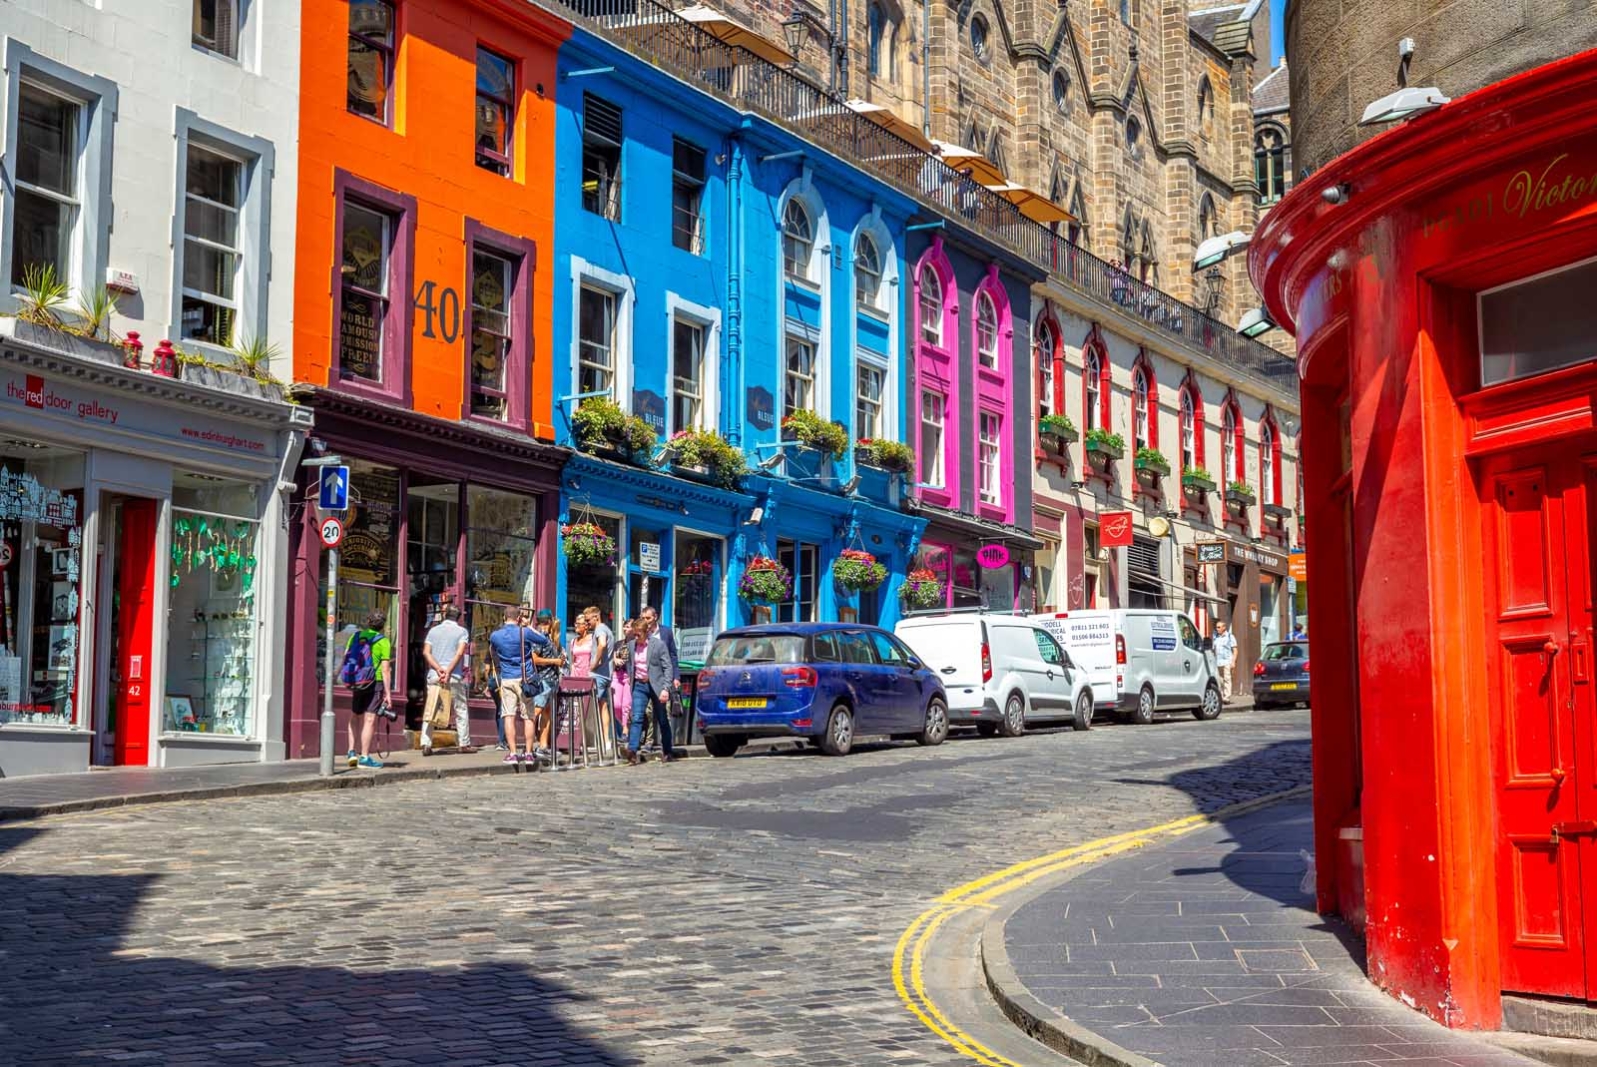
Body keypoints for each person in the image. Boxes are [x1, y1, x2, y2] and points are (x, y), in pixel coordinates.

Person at [486, 605, 550, 763]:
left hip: (507, 678)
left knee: (508, 716)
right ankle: (528, 753)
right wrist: (528, 626)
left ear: (504, 617)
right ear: (519, 617)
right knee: (529, 716)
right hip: (525, 679)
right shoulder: (525, 632)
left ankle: (513, 753)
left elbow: (495, 651)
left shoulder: (495, 636)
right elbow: (544, 640)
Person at [340, 609, 393, 769]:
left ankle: (351, 752)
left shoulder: (355, 636)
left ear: (368, 623)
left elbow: (346, 657)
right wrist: (388, 694)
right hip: (374, 682)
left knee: (355, 715)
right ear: (383, 626)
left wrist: (339, 674)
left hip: (357, 680)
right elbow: (385, 670)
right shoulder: (383, 641)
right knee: (369, 719)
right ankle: (364, 756)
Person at [419, 604, 475, 757]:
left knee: (431, 707)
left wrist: (438, 669)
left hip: (435, 675)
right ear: (458, 617)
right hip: (454, 676)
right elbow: (459, 653)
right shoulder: (462, 631)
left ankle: (426, 743)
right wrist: (448, 670)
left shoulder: (433, 631)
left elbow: (426, 652)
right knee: (460, 709)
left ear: (445, 615)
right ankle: (464, 743)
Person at [628, 613, 679, 764]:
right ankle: (632, 751)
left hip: (656, 685)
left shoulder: (658, 645)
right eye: (634, 634)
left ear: (646, 633)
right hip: (639, 685)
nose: (636, 638)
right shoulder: (631, 645)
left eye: (638, 635)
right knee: (637, 718)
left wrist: (665, 688)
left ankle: (667, 751)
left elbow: (668, 667)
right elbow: (630, 665)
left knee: (662, 719)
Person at [529, 611, 565, 762]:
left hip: (552, 681)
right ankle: (528, 747)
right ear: (549, 621)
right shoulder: (540, 637)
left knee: (547, 713)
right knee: (535, 712)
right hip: (543, 680)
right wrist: (555, 662)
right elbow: (535, 659)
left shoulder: (549, 638)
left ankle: (543, 746)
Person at [583, 606, 613, 747]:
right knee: (603, 706)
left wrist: (594, 663)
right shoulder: (607, 629)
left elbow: (601, 645)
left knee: (591, 707)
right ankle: (605, 740)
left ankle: (592, 740)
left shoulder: (600, 629)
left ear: (596, 617)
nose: (587, 623)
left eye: (588, 620)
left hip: (598, 675)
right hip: (606, 674)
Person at [1213, 621, 1238, 703]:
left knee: (1227, 679)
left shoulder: (1230, 636)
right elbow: (1213, 649)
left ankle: (1226, 697)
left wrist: (1233, 662)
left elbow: (1235, 650)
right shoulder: (1215, 637)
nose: (1217, 629)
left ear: (1224, 628)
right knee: (1219, 680)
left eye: (1219, 627)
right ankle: (1221, 696)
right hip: (1218, 662)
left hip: (1227, 661)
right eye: (1216, 627)